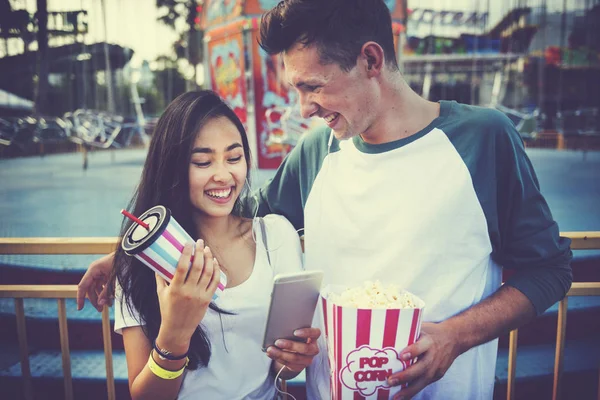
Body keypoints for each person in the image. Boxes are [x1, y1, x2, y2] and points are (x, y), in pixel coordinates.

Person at [78, 1, 573, 399]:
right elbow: (229, 222)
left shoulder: (483, 140)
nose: (304, 108)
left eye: (313, 86)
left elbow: (549, 269)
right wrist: (130, 254)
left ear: (371, 60)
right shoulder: (316, 153)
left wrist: (456, 336)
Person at [97, 90, 320, 399]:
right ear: (171, 167)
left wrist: (295, 358)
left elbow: (285, 366)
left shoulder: (277, 236)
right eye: (202, 162)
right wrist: (175, 332)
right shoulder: (140, 262)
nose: (223, 175)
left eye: (234, 157)